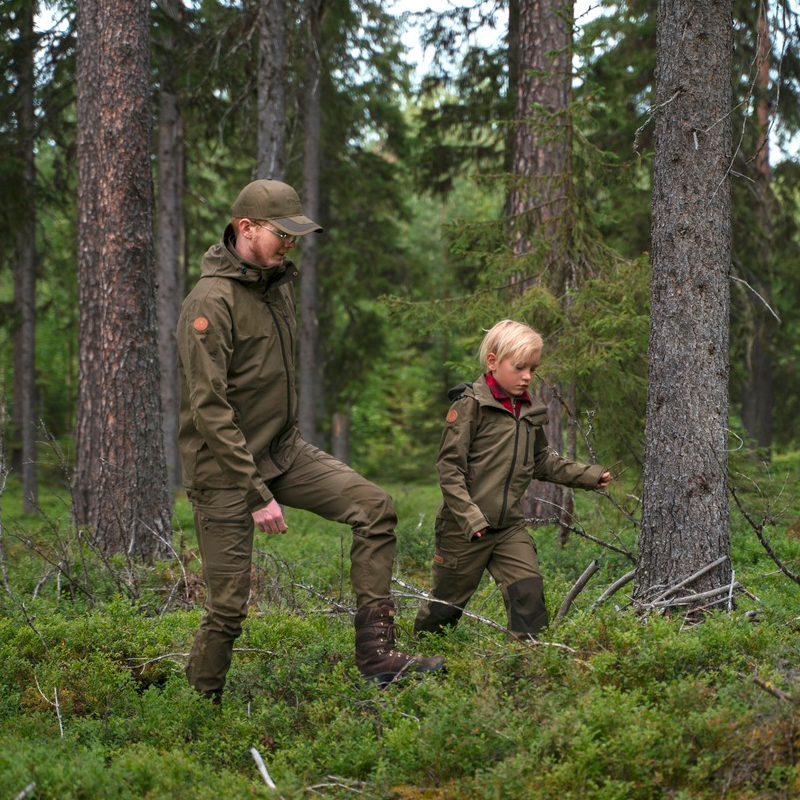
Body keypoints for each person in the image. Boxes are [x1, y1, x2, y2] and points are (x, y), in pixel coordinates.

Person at [176, 178, 444, 699]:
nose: (290, 245)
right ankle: (194, 712)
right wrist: (256, 494)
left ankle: (378, 655)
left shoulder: (275, 284)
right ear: (246, 228)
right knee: (227, 608)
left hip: (283, 450)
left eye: (296, 236)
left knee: (375, 508)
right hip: (226, 474)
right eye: (282, 234)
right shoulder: (210, 302)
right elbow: (210, 409)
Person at [414, 319, 611, 640]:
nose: (528, 377)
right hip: (464, 529)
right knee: (445, 607)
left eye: (533, 369)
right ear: (493, 362)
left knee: (529, 596)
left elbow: (542, 461)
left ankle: (525, 668)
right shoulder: (470, 407)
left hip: (509, 527)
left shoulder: (529, 410)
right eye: (519, 367)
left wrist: (589, 475)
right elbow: (449, 469)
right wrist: (470, 517)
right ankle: (415, 661)